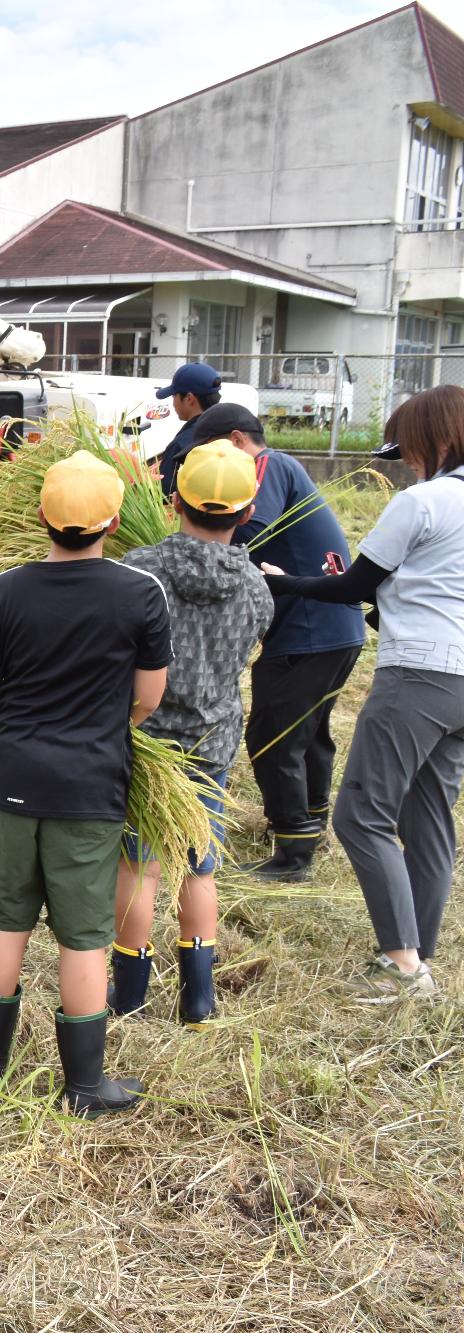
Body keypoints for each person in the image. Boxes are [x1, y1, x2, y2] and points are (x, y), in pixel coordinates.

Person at [0, 451, 170, 1117]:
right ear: (113, 519)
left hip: (13, 777)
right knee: (84, 935)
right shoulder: (141, 593)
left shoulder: (3, 591)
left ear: (42, 516)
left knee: (3, 921)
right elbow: (149, 697)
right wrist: (102, 726)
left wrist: (17, 734)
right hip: (92, 784)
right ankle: (82, 1086)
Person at [262, 384, 464, 1001]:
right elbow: (394, 593)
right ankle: (416, 962)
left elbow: (356, 582)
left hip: (419, 676)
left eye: (409, 449)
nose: (406, 461)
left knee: (361, 816)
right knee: (427, 819)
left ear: (434, 439)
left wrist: (283, 580)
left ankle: (402, 965)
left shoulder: (422, 502)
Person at [111, 441, 273, 1026]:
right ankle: (198, 997)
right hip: (213, 742)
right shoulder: (257, 587)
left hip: (148, 742)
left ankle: (129, 993)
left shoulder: (140, 570)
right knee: (201, 866)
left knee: (138, 865)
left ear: (174, 500)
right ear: (246, 513)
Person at [176, 404, 368, 881]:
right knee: (308, 735)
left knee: (273, 737)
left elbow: (251, 535)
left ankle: (293, 853)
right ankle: (308, 827)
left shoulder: (269, 465)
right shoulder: (284, 467)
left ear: (237, 440)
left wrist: (182, 542)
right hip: (334, 628)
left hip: (309, 629)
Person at [153, 361, 224, 497]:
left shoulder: (182, 444)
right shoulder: (229, 430)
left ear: (189, 399)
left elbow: (162, 493)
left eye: (174, 396)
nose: (173, 403)